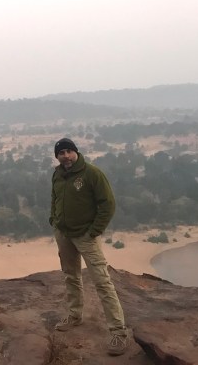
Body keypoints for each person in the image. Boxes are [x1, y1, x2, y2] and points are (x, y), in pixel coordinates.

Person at [49, 138, 129, 356]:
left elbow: (108, 203)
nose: (65, 156)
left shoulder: (92, 173)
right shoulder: (57, 174)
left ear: (76, 152)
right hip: (64, 234)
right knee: (70, 276)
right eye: (61, 152)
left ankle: (119, 332)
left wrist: (95, 230)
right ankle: (75, 315)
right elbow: (55, 198)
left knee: (102, 281)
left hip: (86, 235)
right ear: (57, 156)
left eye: (69, 151)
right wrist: (53, 220)